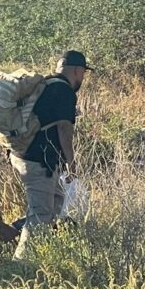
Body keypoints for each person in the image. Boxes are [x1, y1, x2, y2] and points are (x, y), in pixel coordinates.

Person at [11, 50, 92, 259]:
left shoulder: (46, 84)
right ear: (77, 70)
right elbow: (65, 129)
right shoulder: (64, 92)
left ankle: (45, 251)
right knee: (40, 215)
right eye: (83, 73)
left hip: (25, 156)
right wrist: (71, 164)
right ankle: (22, 265)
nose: (82, 78)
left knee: (56, 199)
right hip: (38, 162)